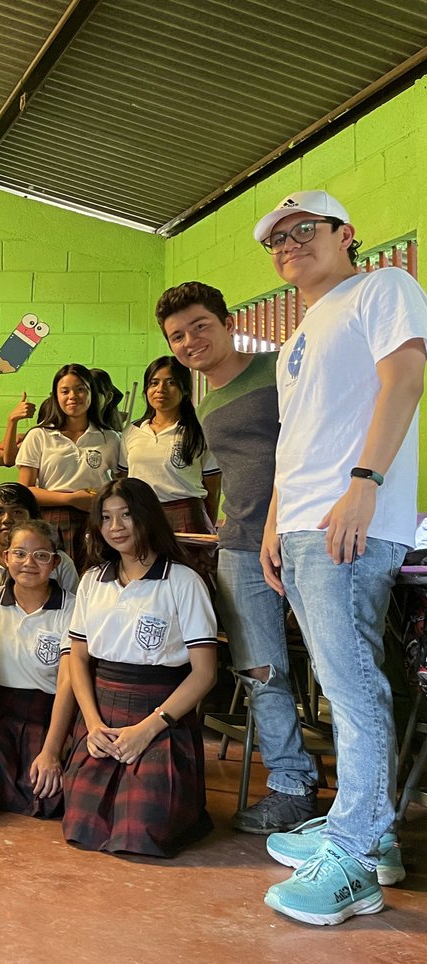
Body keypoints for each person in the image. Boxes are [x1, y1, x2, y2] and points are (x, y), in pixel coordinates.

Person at [252, 192, 426, 925]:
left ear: (346, 235)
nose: (290, 243)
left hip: (347, 521)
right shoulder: (303, 330)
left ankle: (354, 857)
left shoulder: (382, 288)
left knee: (352, 686)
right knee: (337, 678)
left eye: (305, 230)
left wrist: (365, 485)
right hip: (302, 527)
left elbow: (408, 377)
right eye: (277, 239)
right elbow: (299, 440)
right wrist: (273, 522)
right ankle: (369, 828)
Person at [160, 281, 322, 835]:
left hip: (305, 537)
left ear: (227, 323)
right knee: (258, 670)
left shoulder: (279, 369)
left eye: (200, 326)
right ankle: (292, 784)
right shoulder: (205, 402)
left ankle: (363, 801)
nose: (190, 341)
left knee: (332, 670)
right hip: (240, 546)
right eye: (177, 335)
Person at [63, 479, 217, 857]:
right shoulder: (91, 581)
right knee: (82, 825)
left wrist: (148, 730)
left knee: (143, 828)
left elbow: (205, 673)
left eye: (127, 515)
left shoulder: (183, 581)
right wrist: (92, 725)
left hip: (161, 714)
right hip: (101, 712)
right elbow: (78, 659)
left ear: (147, 517)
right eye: (106, 518)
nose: (116, 527)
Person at [0, 520, 76, 816]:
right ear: (5, 558)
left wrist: (53, 749)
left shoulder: (73, 608)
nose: (29, 563)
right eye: (19, 554)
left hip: (48, 713)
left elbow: (68, 682)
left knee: (48, 790)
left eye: (41, 555)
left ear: (55, 562)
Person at [16, 363, 120, 569]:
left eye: (81, 389)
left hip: (96, 520)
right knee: (55, 580)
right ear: (56, 396)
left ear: (92, 394)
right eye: (65, 391)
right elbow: (24, 492)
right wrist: (71, 499)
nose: (73, 396)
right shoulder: (39, 435)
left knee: (94, 579)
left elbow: (121, 485)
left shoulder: (110, 438)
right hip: (51, 520)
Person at [119, 355, 219, 535]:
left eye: (170, 382)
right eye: (153, 383)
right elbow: (122, 478)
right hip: (141, 515)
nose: (160, 389)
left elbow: (213, 488)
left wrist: (206, 528)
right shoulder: (132, 431)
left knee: (189, 564)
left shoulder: (200, 431)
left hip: (186, 514)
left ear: (185, 389)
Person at [0, 483, 78, 602]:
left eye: (17, 512)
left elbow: (73, 609)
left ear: (33, 518)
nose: (7, 520)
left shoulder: (58, 561)